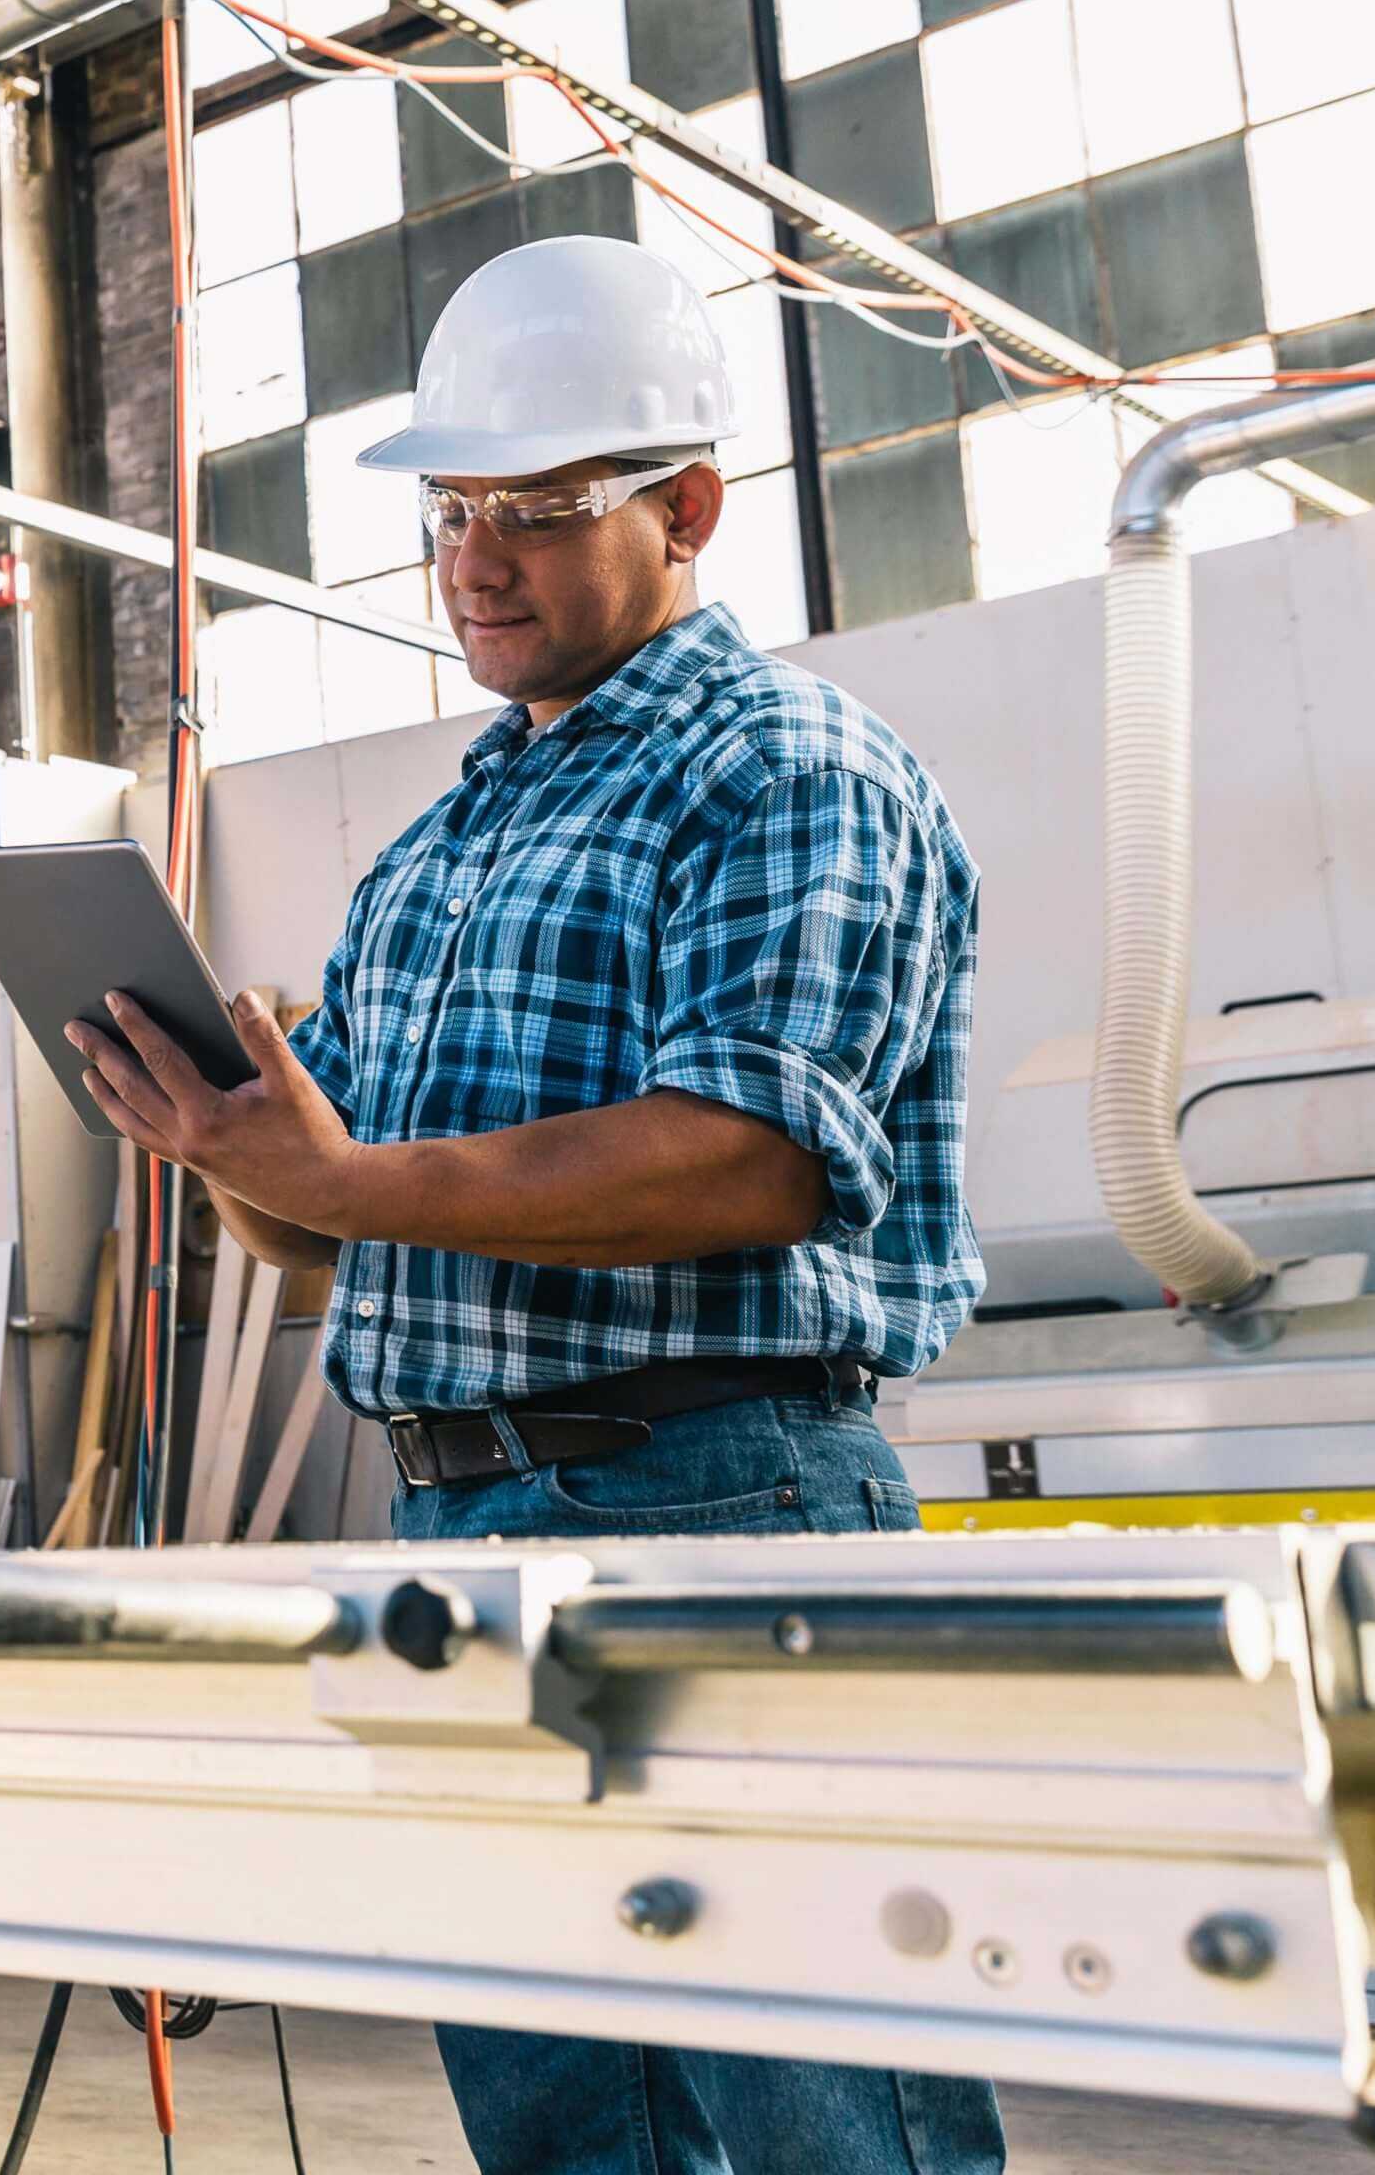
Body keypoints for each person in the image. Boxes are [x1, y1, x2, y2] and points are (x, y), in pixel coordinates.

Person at [63, 233, 1003, 2175]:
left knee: (829, 2120)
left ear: (685, 508)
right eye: (449, 511)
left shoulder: (787, 768)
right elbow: (347, 1224)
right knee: (566, 2124)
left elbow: (745, 1154)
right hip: (454, 1508)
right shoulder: (445, 838)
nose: (473, 559)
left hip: (712, 1496)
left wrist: (339, 1169)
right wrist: (238, 1158)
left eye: (536, 512)